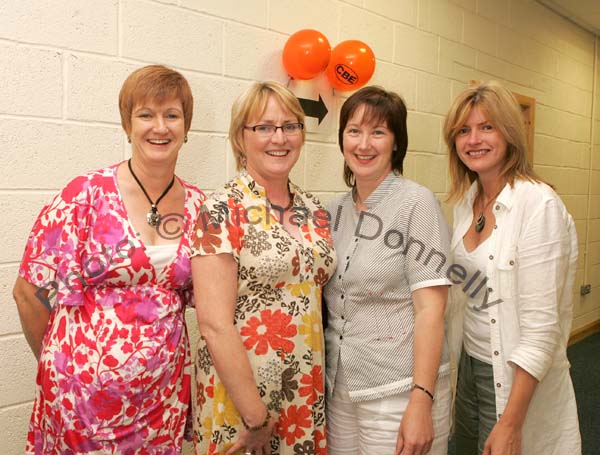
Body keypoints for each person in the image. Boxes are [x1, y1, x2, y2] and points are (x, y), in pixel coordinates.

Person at [12, 65, 205, 454]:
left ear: (186, 127)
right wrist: (64, 364)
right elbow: (28, 292)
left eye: (172, 115)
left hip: (160, 400)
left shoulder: (201, 205)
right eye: (146, 114)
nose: (160, 127)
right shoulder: (84, 195)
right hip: (80, 402)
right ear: (127, 123)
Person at [189, 81, 336, 455]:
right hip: (242, 400)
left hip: (303, 391)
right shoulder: (221, 209)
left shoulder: (314, 209)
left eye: (291, 126)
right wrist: (255, 416)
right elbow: (213, 324)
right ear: (241, 138)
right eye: (264, 127)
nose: (280, 138)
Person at [443, 80, 581, 455]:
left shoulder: (538, 205)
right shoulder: (465, 203)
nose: (474, 139)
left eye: (487, 127)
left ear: (510, 134)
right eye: (464, 130)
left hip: (514, 377)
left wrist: (511, 423)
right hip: (470, 365)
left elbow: (541, 331)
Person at [323, 86, 452, 455]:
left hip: (399, 387)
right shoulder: (334, 212)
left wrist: (422, 399)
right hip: (342, 384)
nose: (364, 144)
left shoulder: (417, 203)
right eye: (354, 131)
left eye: (378, 132)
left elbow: (431, 310)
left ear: (396, 143)